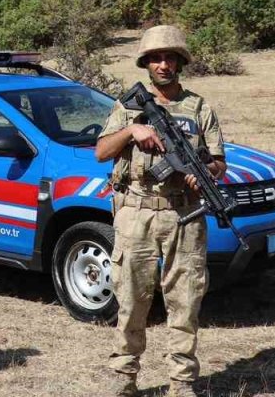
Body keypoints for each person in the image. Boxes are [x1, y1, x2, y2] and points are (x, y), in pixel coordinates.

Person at [95, 25, 225, 397]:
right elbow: (102, 151)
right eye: (156, 58)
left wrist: (206, 175)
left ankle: (182, 383)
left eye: (170, 57)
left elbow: (219, 162)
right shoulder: (128, 107)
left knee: (184, 302)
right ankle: (124, 377)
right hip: (136, 213)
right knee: (131, 300)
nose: (163, 64)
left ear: (180, 62)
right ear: (146, 64)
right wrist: (132, 131)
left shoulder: (199, 107)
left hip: (184, 216)